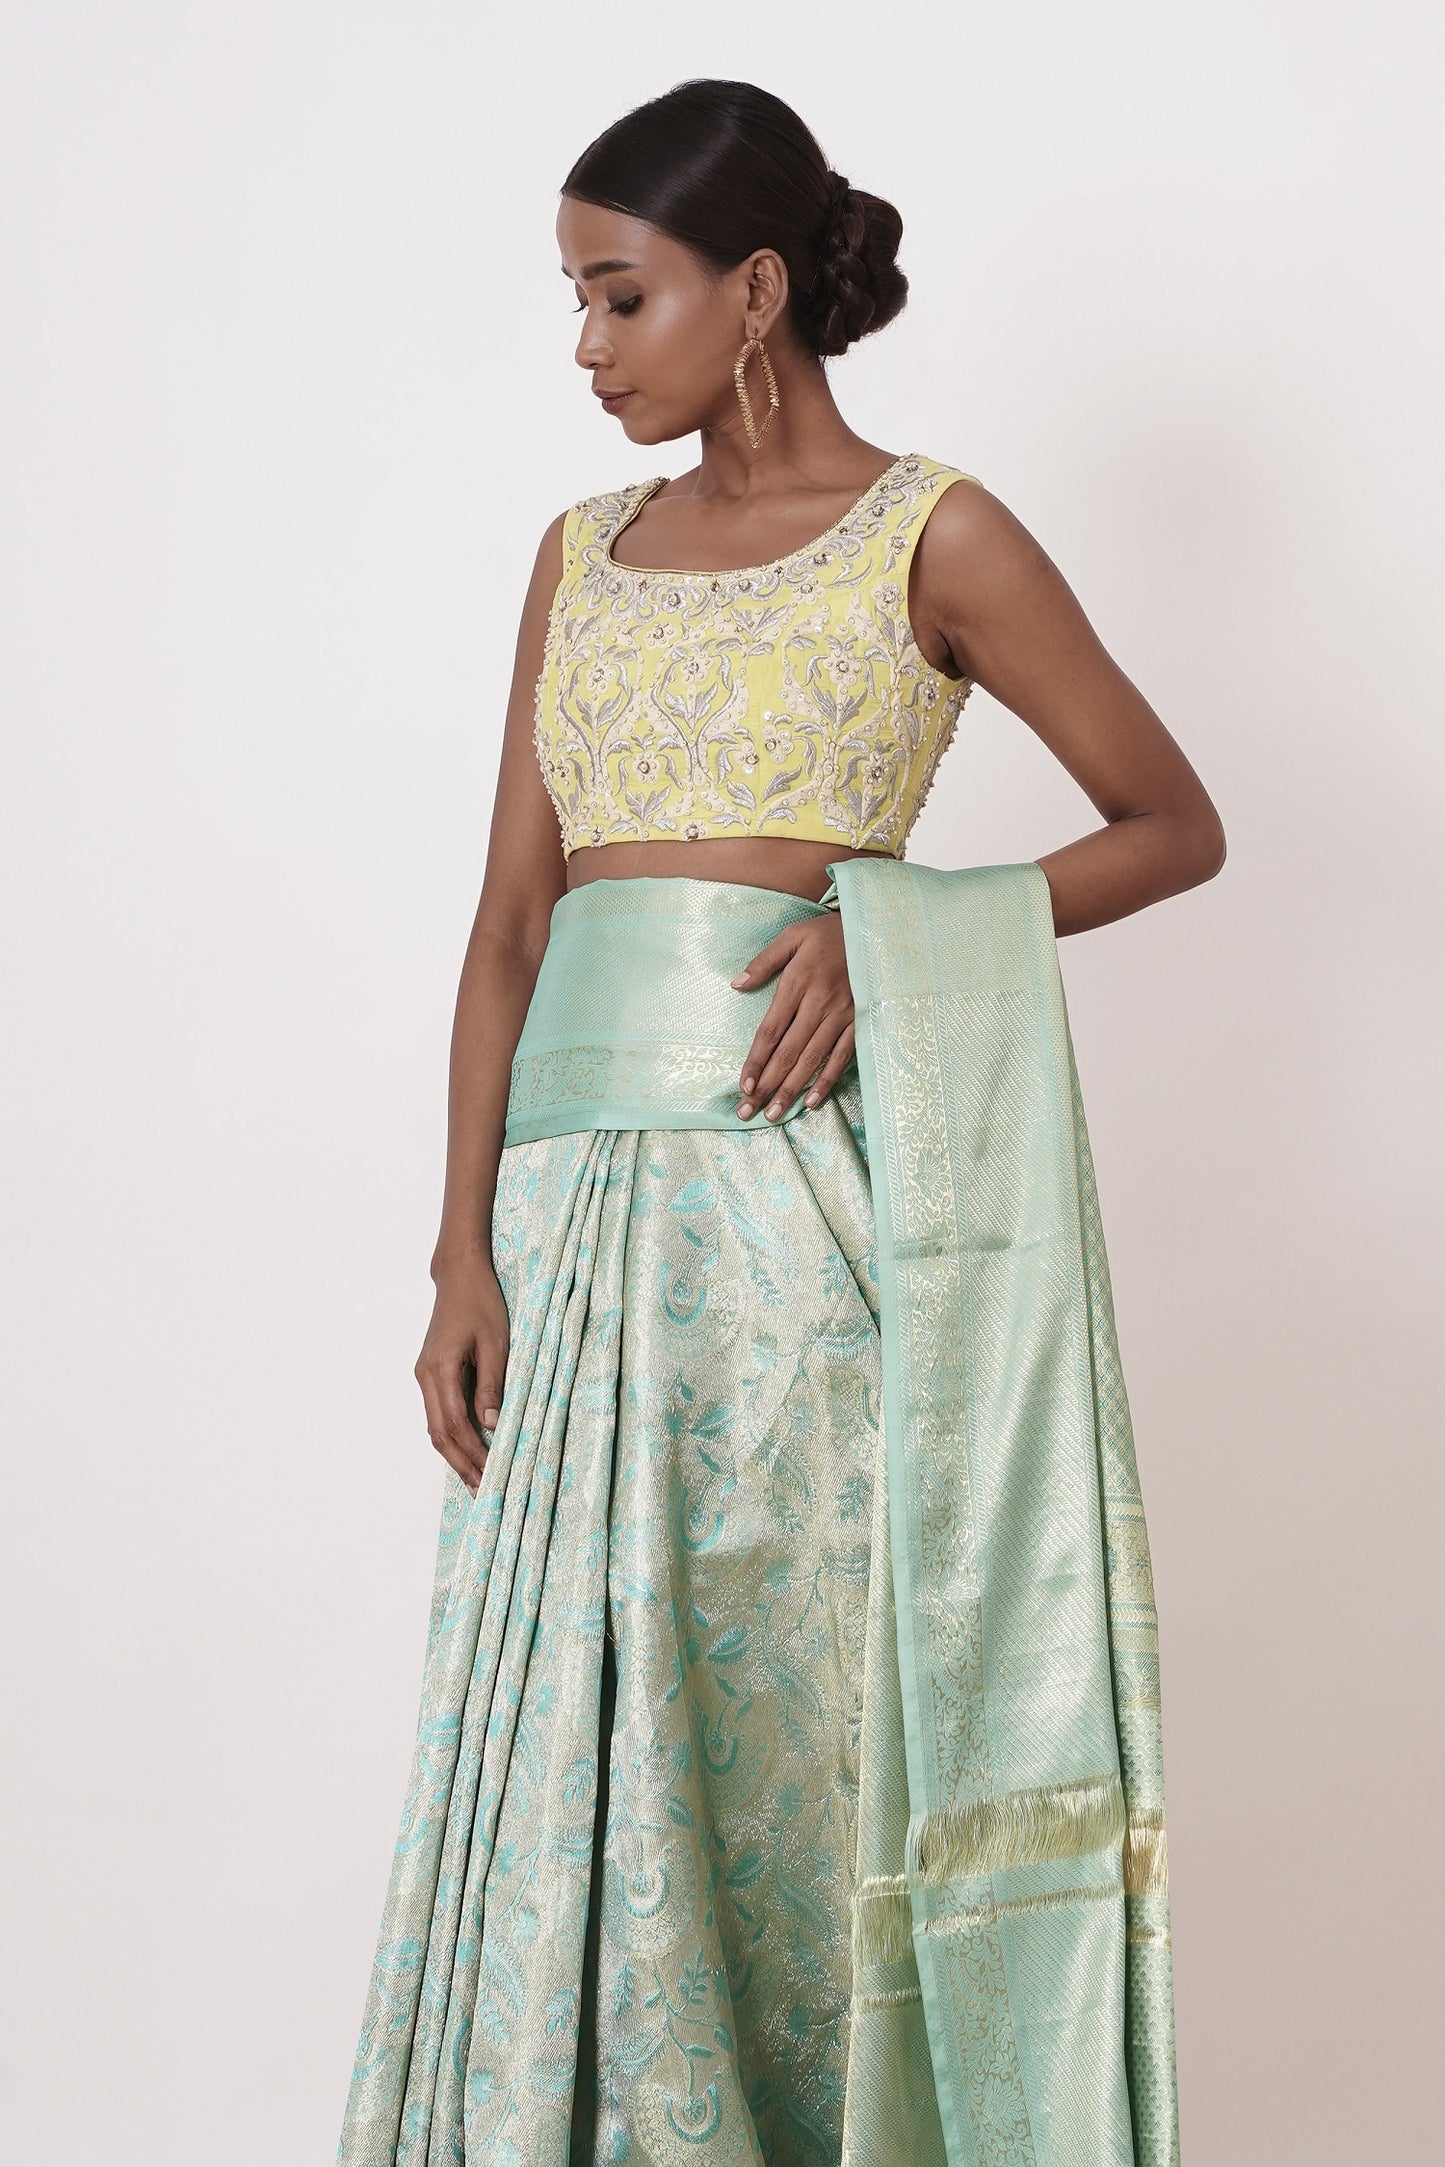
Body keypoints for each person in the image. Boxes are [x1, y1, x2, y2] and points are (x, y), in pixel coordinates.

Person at [335, 76, 1223, 2167]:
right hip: (568, 1235)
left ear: (752, 292)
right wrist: (459, 1248)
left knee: (792, 1721)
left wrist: (891, 930)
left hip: (802, 1228)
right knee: (567, 1722)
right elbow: (510, 926)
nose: (584, 345)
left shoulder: (935, 534)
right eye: (574, 299)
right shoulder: (579, 557)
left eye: (618, 295)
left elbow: (1170, 822)